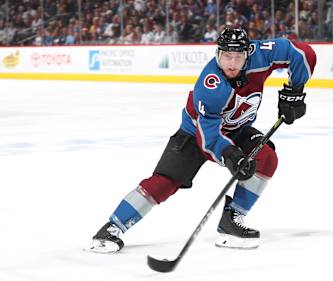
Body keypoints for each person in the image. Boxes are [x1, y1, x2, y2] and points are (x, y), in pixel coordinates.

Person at [86, 27, 316, 253]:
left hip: (237, 128)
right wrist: (231, 156)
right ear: (218, 54)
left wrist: (294, 92)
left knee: (266, 158)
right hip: (196, 133)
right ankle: (112, 227)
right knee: (165, 181)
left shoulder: (263, 54)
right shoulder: (211, 84)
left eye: (238, 57)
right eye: (227, 56)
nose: (232, 63)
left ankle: (232, 220)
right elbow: (209, 138)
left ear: (248, 54)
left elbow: (303, 54)